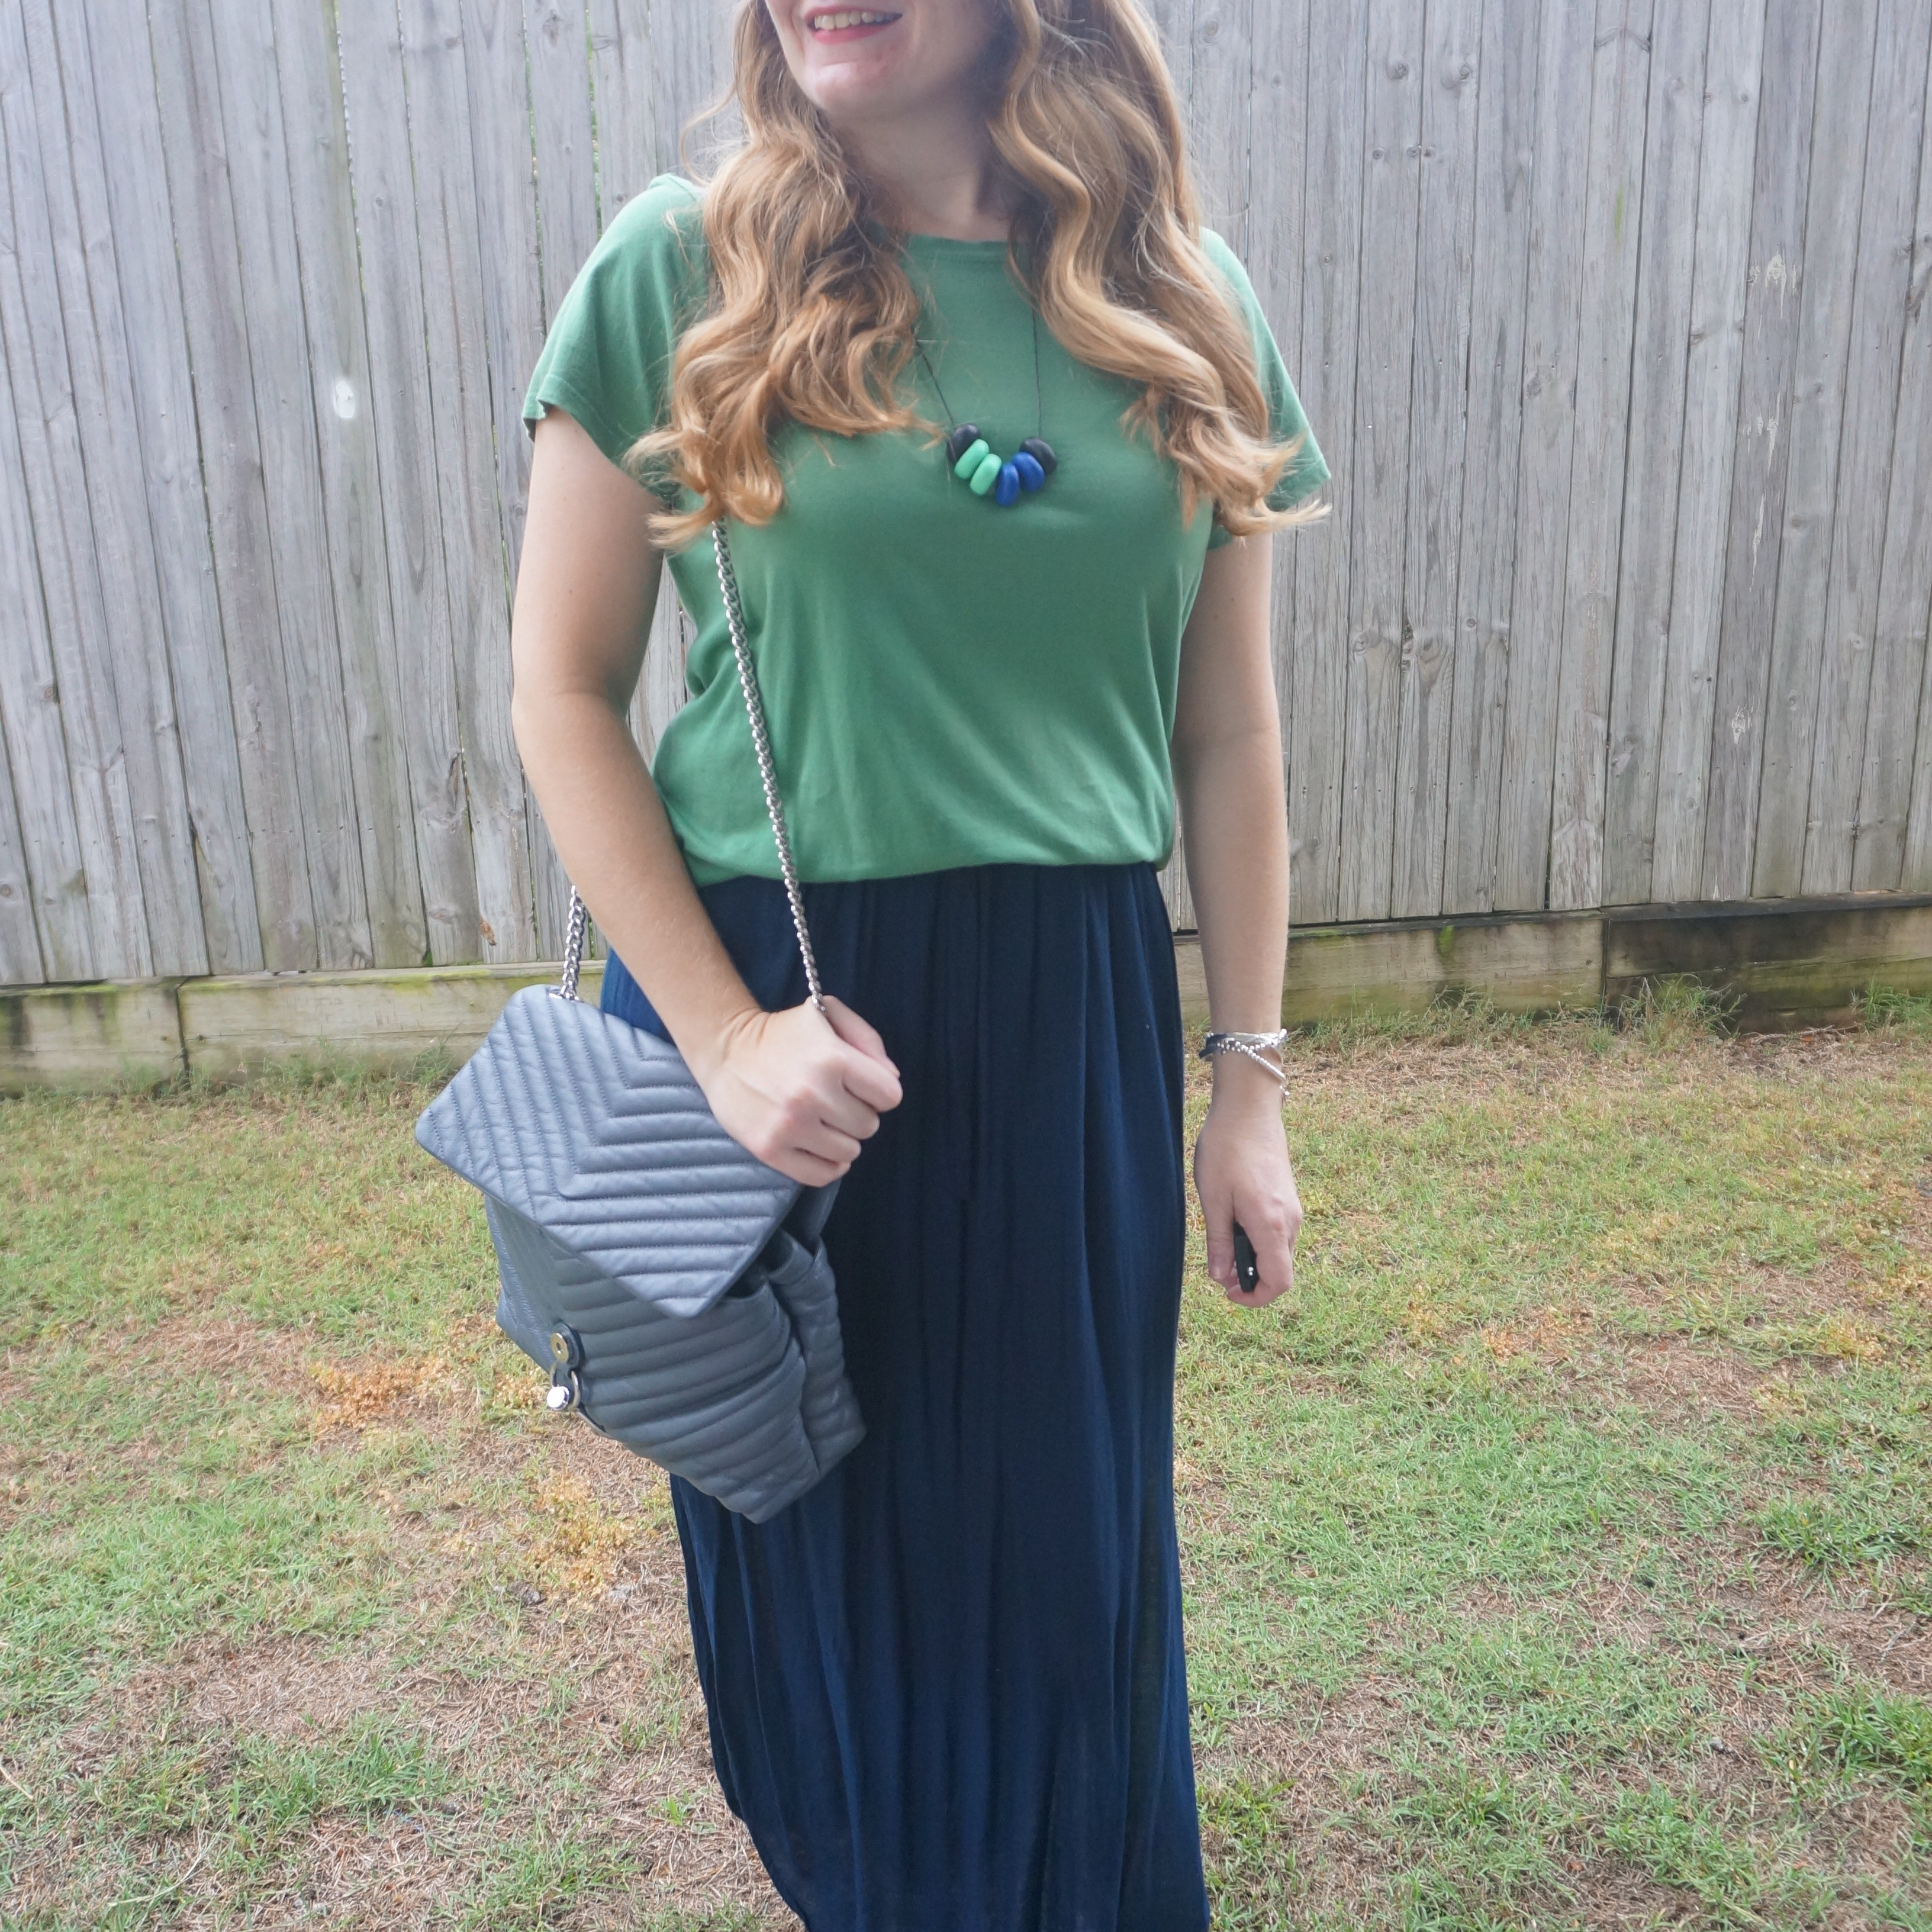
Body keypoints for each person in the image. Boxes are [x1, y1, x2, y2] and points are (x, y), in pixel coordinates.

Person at [509, 2, 1327, 1924]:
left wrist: (1249, 1089)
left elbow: (1232, 737)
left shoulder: (1187, 298)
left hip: (1071, 1045)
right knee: (833, 1608)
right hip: (784, 1033)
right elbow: (561, 694)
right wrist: (719, 1045)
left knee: (1070, 1590)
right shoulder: (680, 266)